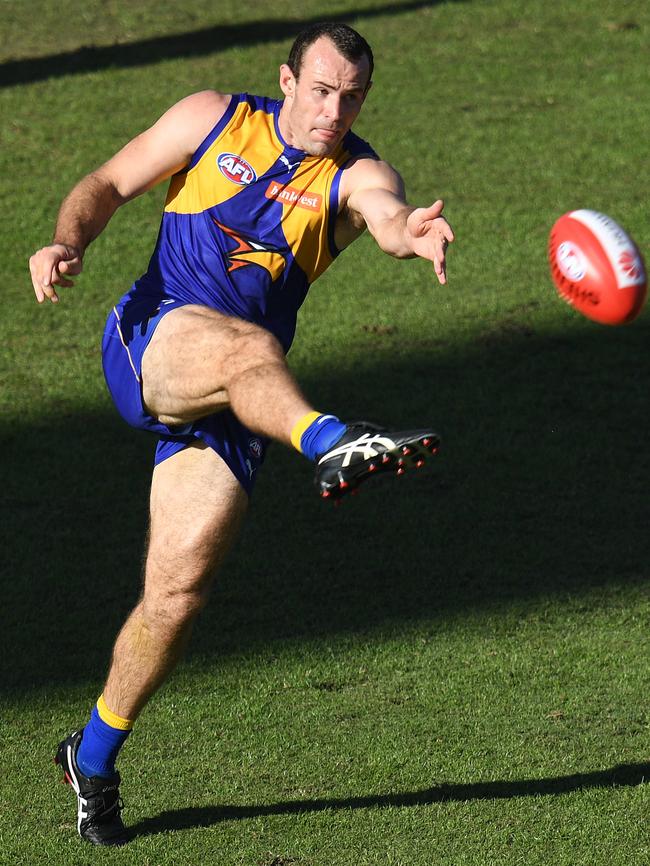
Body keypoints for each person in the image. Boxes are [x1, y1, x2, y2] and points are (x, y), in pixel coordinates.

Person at [29, 22, 454, 846]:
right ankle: (332, 439)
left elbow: (387, 214)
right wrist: (65, 240)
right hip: (154, 341)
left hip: (239, 398)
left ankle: (93, 755)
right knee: (252, 345)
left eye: (353, 97)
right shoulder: (213, 120)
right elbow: (109, 181)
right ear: (287, 79)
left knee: (178, 594)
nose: (335, 111)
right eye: (323, 90)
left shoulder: (356, 172)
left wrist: (411, 233)